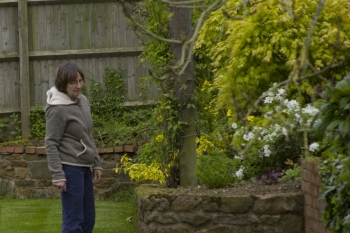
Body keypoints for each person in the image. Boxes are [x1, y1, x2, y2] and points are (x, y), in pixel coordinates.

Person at [45, 62, 102, 233]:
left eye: (80, 81)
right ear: (63, 84)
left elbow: (87, 135)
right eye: (73, 83)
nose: (78, 86)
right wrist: (57, 174)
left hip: (84, 167)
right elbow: (51, 143)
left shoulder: (83, 101)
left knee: (88, 219)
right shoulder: (57, 109)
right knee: (73, 222)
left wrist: (96, 162)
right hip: (70, 169)